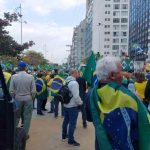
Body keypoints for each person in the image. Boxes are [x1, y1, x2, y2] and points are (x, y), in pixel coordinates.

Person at [88, 56, 150, 150]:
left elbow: (89, 117)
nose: (123, 74)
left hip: (103, 145)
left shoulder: (90, 95)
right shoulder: (128, 97)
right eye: (121, 71)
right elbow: (145, 123)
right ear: (112, 75)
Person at [9, 61, 36, 139]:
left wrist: (14, 98)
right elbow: (33, 91)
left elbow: (11, 90)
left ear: (18, 68)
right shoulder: (30, 77)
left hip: (17, 98)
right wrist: (31, 98)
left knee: (16, 117)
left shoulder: (14, 76)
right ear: (25, 68)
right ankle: (24, 135)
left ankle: (14, 133)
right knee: (27, 117)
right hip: (28, 99)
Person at [62, 69, 83, 147]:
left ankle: (64, 135)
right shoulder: (74, 83)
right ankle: (70, 140)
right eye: (78, 72)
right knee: (72, 123)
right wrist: (80, 103)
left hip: (66, 104)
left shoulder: (66, 81)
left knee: (66, 121)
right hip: (72, 106)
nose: (79, 74)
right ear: (74, 73)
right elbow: (76, 96)